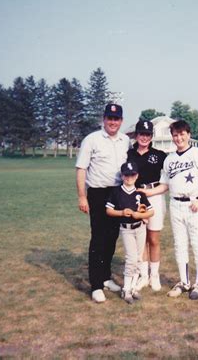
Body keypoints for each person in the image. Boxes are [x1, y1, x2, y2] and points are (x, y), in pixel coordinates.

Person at [142, 120, 198, 300]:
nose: (179, 138)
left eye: (182, 134)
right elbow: (164, 185)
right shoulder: (169, 159)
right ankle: (184, 282)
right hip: (175, 205)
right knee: (180, 245)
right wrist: (148, 191)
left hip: (194, 204)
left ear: (188, 135)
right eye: (175, 135)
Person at [75, 103, 131, 303]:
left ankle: (106, 277)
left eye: (116, 119)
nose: (113, 122)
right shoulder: (92, 140)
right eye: (110, 118)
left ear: (121, 121)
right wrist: (82, 196)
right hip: (98, 193)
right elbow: (81, 168)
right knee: (98, 238)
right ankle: (96, 285)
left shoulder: (126, 141)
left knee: (111, 237)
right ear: (103, 119)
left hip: (117, 193)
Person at [127, 120, 167, 292]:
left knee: (153, 239)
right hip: (135, 198)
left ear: (152, 136)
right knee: (140, 239)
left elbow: (167, 183)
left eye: (148, 134)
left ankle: (154, 276)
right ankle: (143, 275)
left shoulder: (160, 155)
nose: (144, 137)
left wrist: (150, 193)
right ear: (136, 135)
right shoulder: (129, 154)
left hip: (155, 197)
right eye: (141, 134)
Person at [106, 161, 154, 304]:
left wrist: (140, 215)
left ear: (137, 176)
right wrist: (121, 212)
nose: (129, 178)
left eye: (132, 175)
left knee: (138, 258)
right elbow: (108, 210)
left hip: (140, 228)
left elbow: (151, 211)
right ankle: (126, 289)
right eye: (126, 175)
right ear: (122, 176)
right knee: (131, 258)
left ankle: (133, 287)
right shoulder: (116, 192)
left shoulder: (139, 193)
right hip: (126, 229)